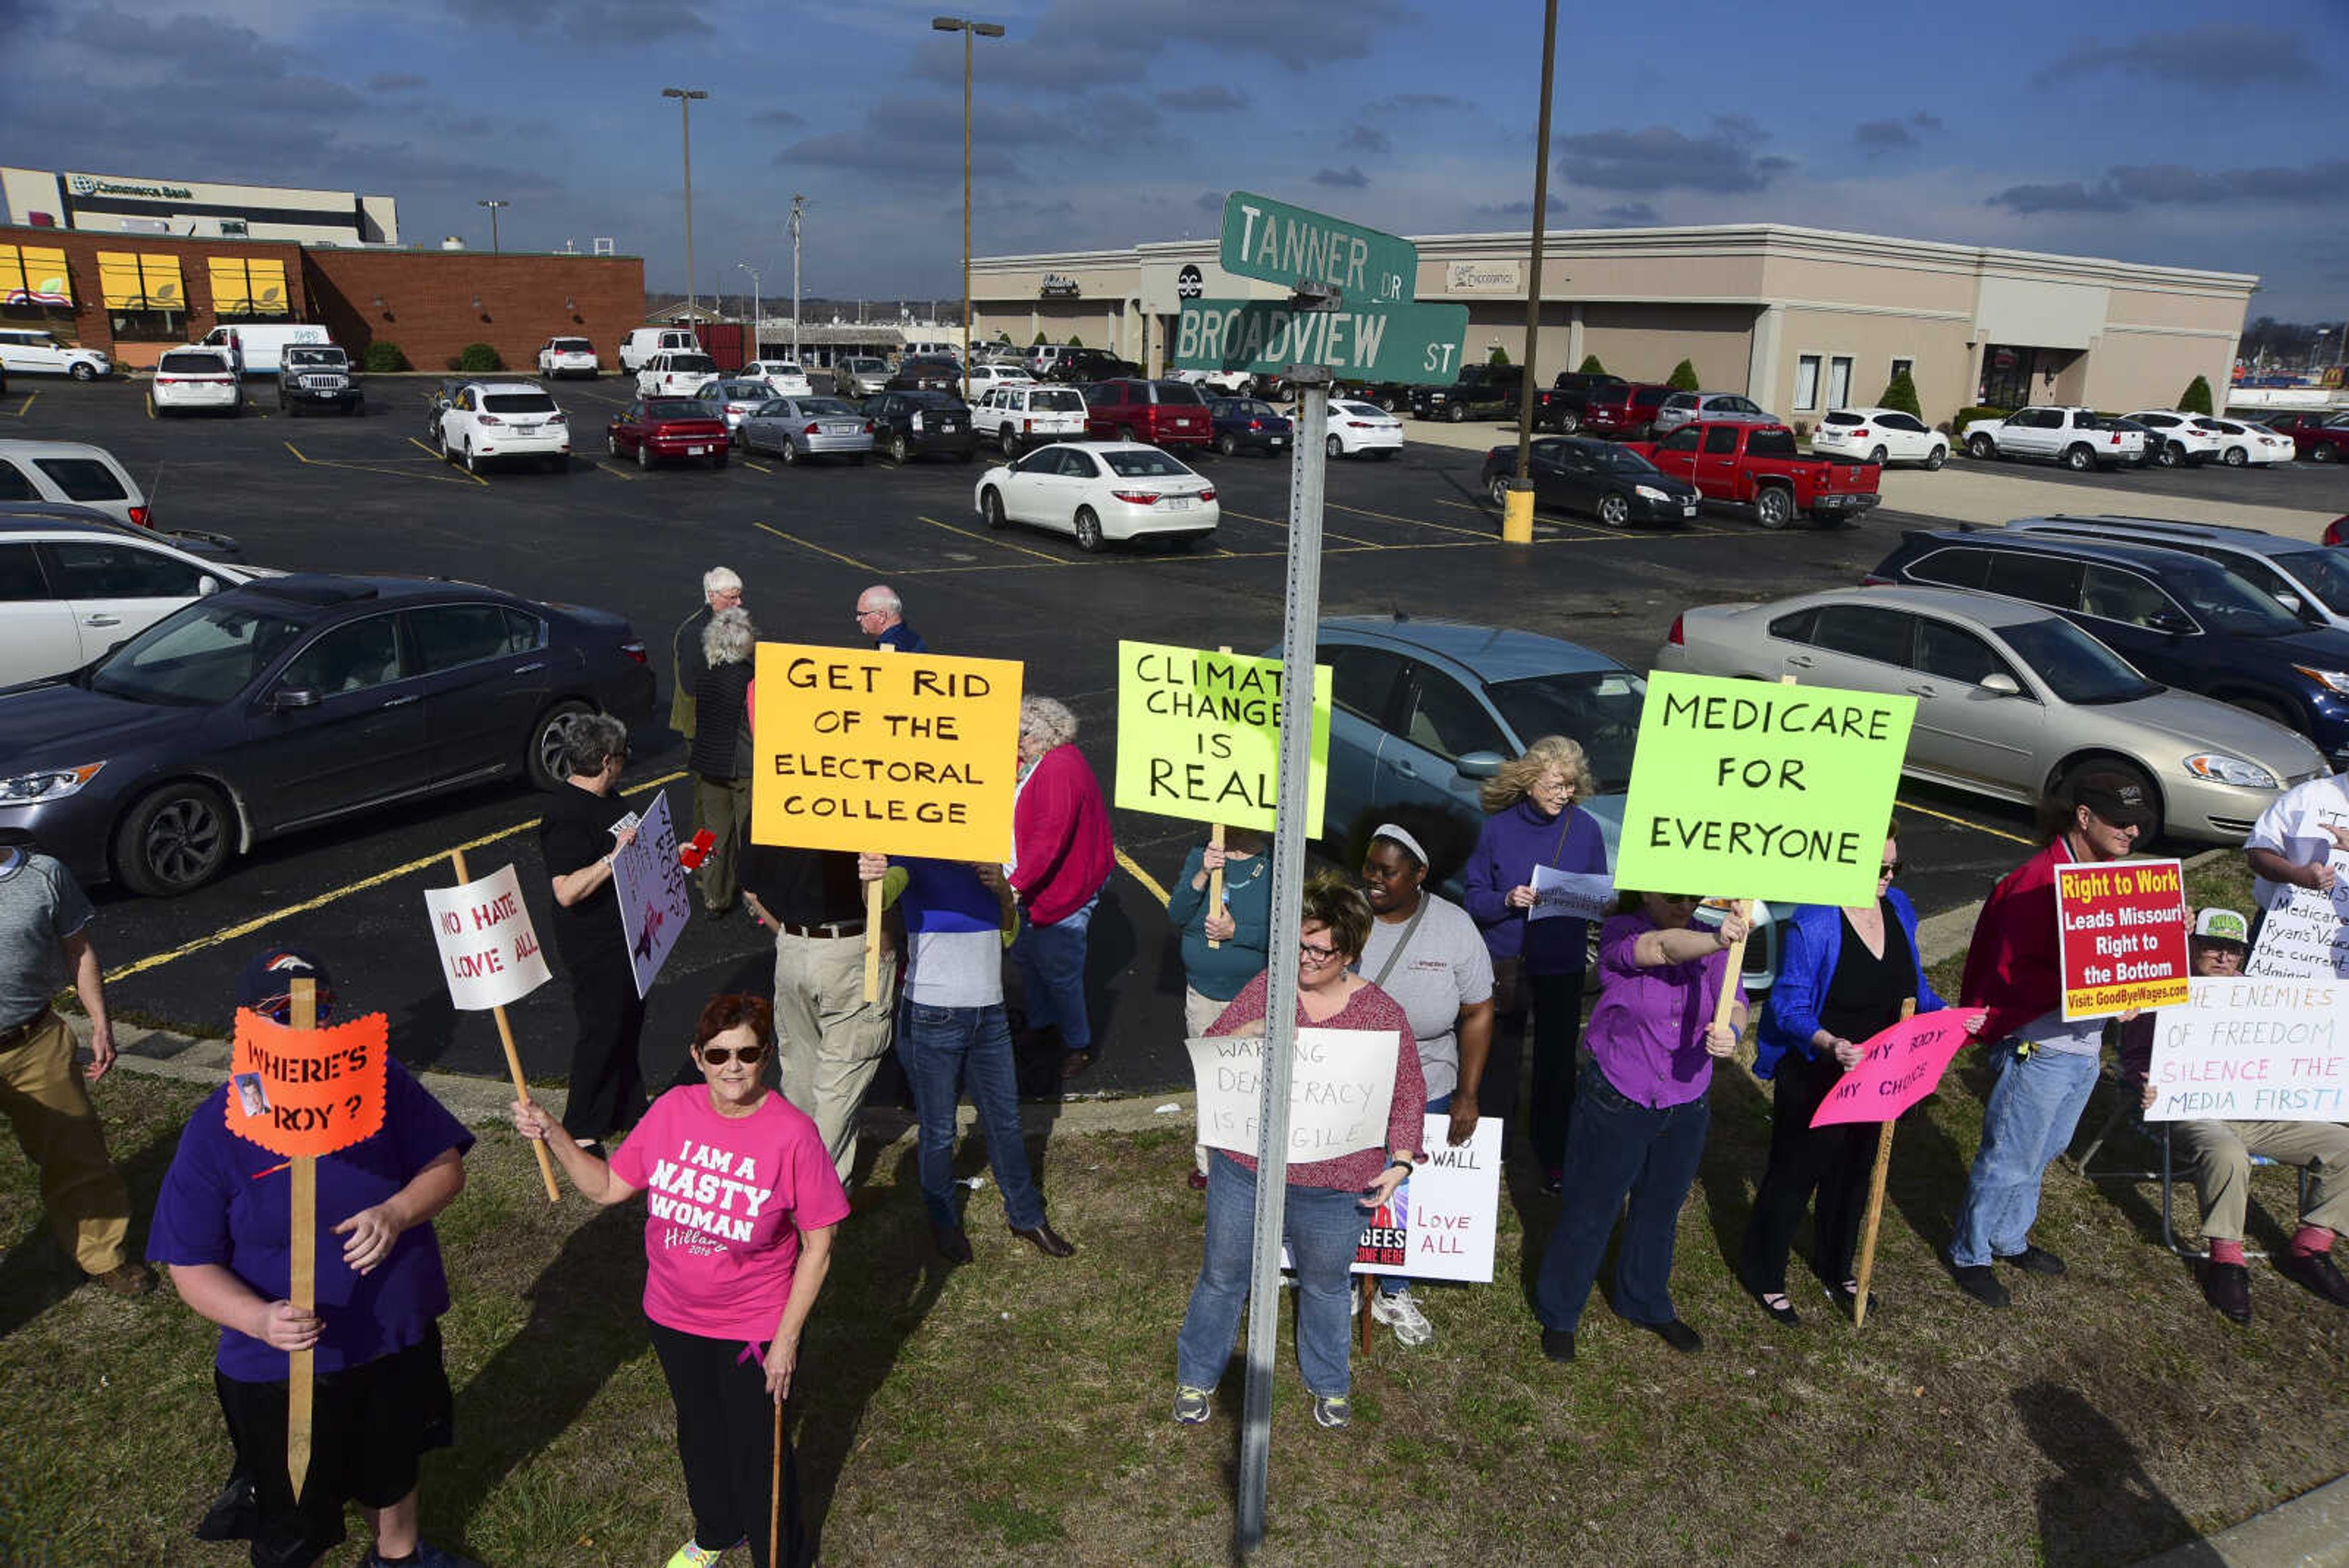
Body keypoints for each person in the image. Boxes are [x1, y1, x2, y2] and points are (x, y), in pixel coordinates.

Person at [150, 948, 477, 1568]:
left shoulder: (380, 1080)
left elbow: (446, 1168)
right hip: (284, 1365)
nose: (307, 1023)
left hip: (388, 1331)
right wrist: (257, 1319)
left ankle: (399, 1556)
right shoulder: (219, 1126)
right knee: (292, 1504)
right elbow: (189, 1262)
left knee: (393, 1456)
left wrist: (397, 1212)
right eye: (282, 1009)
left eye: (320, 1007)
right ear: (245, 1026)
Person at [514, 994, 846, 1568]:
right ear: (698, 1056)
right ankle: (717, 1531)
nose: (733, 1066)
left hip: (753, 1323)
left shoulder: (793, 1135)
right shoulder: (673, 1111)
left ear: (767, 1056)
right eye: (719, 1054)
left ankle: (779, 1558)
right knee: (698, 1430)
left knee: (757, 1448)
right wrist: (555, 1133)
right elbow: (608, 1187)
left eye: (747, 1052)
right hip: (671, 1314)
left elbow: (819, 1244)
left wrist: (786, 1339)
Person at [1174, 877, 1425, 1430]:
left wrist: (1402, 1160)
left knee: (1327, 1284)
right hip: (1248, 1173)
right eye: (1300, 946)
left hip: (1338, 1188)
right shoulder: (1269, 987)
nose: (1306, 960)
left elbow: (1407, 1089)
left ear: (1351, 953)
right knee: (1222, 1275)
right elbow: (1215, 1051)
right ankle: (1196, 1373)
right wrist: (1251, 1029)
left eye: (1320, 950)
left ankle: (1330, 1382)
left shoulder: (1382, 1014)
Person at [1947, 770, 2153, 1308]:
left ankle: (2008, 1237)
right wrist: (2096, 989)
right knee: (2011, 1153)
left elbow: (2115, 954)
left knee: (2047, 1148)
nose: (2132, 831)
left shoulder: (2104, 875)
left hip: (2083, 1044)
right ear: (2084, 817)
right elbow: (2012, 971)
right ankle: (1970, 1252)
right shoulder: (2039, 880)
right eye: (2120, 820)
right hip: (2040, 1044)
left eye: (2137, 823)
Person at [1743, 822, 1962, 1323]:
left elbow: (1915, 990)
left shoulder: (1899, 908)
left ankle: (1836, 1263)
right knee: (1796, 1174)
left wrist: (1950, 1014)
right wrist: (1831, 1044)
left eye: (1894, 867)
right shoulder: (1815, 921)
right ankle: (1764, 1270)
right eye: (1879, 868)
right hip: (1820, 1071)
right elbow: (1790, 1006)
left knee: (1856, 1173)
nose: (1888, 876)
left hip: (1879, 1074)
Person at [1534, 891, 1748, 1363]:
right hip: (1618, 1095)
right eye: (1673, 895)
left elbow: (1735, 1000)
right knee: (1591, 1208)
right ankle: (1560, 1310)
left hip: (1685, 1101)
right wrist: (1716, 938)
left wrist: (1733, 1030)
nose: (1684, 903)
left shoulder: (1717, 944)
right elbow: (1661, 949)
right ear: (1647, 890)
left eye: (1693, 896)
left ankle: (1645, 1299)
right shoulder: (1620, 932)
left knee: (1660, 1209)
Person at [2123, 909, 2349, 1321]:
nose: (2224, 958)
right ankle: (2227, 1258)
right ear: (2193, 947)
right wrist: (2144, 1080)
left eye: (2234, 950)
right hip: (2196, 1111)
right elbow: (2134, 1054)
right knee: (2227, 1152)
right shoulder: (2163, 990)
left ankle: (2311, 1247)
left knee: (2344, 1144)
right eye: (2213, 946)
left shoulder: (2260, 996)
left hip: (2263, 1109)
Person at [858, 852, 1074, 1263]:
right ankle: (944, 1222)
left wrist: (1004, 892)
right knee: (939, 1132)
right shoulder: (911, 857)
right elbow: (879, 900)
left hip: (989, 1014)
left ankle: (1026, 1215)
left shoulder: (986, 862)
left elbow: (1009, 936)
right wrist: (869, 877)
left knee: (1005, 1121)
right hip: (931, 1015)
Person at [1356, 820, 1493, 1348]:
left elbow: (1479, 1011)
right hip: (1351, 1076)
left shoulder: (1454, 927)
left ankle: (1393, 1286)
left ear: (1418, 875)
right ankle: (1349, 1274)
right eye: (1369, 866)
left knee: (1403, 1184)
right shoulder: (1347, 914)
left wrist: (1468, 1094)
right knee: (1349, 1176)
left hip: (1428, 1078)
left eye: (1387, 872)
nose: (1373, 879)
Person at [0, 825, 150, 1297]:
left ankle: (103, 1256)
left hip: (33, 1042)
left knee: (75, 1154)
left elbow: (78, 950)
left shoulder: (44, 876)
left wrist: (100, 1021)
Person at [1463, 735, 1610, 1193]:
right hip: (1507, 958)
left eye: (1569, 786)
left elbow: (1598, 894)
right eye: (1554, 785)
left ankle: (1554, 1158)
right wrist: (1507, 898)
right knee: (1500, 1061)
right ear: (1529, 783)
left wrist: (1586, 900)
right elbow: (1473, 898)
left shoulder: (1584, 829)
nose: (1562, 794)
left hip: (1561, 960)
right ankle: (1491, 1151)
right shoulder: (1498, 830)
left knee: (1556, 1065)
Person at [740, 838, 896, 1186]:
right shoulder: (868, 806)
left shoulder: (778, 796)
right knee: (840, 1081)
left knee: (801, 1076)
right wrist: (883, 941)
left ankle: (799, 1176)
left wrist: (792, 939)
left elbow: (751, 890)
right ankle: (811, 1194)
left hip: (793, 950)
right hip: (853, 948)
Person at [536, 714, 648, 1147]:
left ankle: (624, 1106)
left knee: (628, 1019)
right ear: (606, 760)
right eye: (622, 757)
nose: (624, 764)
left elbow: (630, 847)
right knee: (601, 1028)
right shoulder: (565, 815)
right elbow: (566, 890)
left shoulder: (609, 798)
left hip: (628, 931)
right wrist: (612, 858)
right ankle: (582, 1127)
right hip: (595, 942)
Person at [1008, 696, 1113, 1080]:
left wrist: (1016, 885)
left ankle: (1077, 1044)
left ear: (1044, 736)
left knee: (1059, 971)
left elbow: (1050, 838)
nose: (1015, 743)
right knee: (1028, 959)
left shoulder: (1059, 770)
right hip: (1038, 889)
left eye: (1022, 737)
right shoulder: (1039, 760)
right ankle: (1041, 1022)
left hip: (1061, 892)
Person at [1167, 824, 1272, 1190]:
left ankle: (1250, 1163)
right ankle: (1209, 1165)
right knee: (1210, 1082)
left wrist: (1236, 934)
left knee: (1251, 1083)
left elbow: (1286, 932)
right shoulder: (1203, 852)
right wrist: (1202, 874)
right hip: (1203, 995)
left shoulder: (1274, 864)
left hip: (1252, 997)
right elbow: (1178, 914)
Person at [690, 606, 757, 916]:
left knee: (711, 833)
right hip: (743, 767)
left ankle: (713, 896)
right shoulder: (751, 678)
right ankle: (754, 898)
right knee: (749, 836)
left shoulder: (706, 675)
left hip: (708, 762)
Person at [670, 566, 743, 741]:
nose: (739, 602)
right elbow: (688, 678)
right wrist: (700, 713)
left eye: (739, 596)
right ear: (712, 596)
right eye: (733, 597)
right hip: (702, 718)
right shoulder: (695, 633)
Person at [855, 584, 926, 653]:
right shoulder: (913, 638)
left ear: (881, 617)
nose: (858, 619)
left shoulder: (889, 647)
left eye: (862, 614)